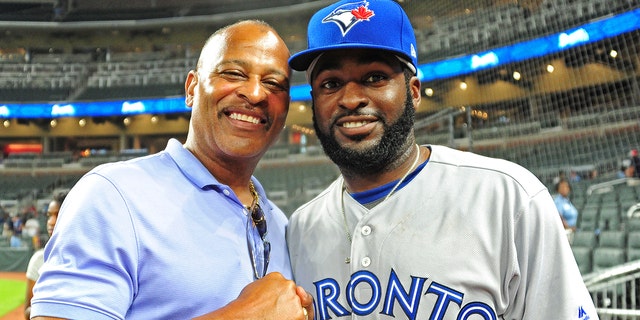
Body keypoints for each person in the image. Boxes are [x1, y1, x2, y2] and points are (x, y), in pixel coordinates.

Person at [286, 1, 598, 319]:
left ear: (415, 91)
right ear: (314, 102)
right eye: (330, 84)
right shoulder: (301, 228)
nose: (351, 99)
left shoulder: (507, 198)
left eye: (375, 77)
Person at [31, 20, 313, 320]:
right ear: (191, 88)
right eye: (233, 73)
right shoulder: (113, 196)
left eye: (274, 84)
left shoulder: (281, 225)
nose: (256, 93)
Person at [25, 191, 67, 320]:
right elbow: (27, 310)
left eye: (58, 215)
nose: (51, 221)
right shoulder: (38, 259)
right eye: (49, 215)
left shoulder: (89, 257)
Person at [553, 178, 579, 243]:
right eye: (562, 187)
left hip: (572, 232)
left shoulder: (567, 201)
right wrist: (569, 228)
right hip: (565, 234)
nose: (565, 188)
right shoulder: (558, 201)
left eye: (566, 186)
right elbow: (558, 217)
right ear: (558, 189)